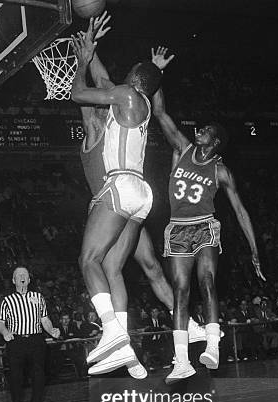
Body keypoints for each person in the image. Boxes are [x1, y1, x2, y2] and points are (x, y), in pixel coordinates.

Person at [71, 20, 204, 379]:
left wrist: (82, 59)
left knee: (89, 260)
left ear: (133, 80)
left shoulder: (116, 105)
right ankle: (127, 347)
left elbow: (80, 93)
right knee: (117, 268)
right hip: (140, 196)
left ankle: (114, 333)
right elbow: (107, 83)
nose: (123, 74)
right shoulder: (137, 99)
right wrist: (91, 46)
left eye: (131, 72)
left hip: (119, 190)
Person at [149, 47, 266, 383]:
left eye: (206, 132)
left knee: (207, 281)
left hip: (204, 227)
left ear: (215, 143)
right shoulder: (182, 149)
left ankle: (212, 345)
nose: (199, 131)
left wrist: (255, 252)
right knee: (181, 291)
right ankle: (182, 361)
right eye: (200, 130)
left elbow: (241, 213)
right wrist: (157, 73)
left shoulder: (222, 171)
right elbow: (159, 112)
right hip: (177, 229)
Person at [0, 267, 60, 402]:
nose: (22, 277)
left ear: (29, 280)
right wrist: (5, 332)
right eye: (19, 275)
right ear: (13, 280)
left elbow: (44, 319)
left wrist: (51, 330)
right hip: (16, 342)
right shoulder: (7, 300)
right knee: (16, 378)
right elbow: (0, 322)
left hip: (36, 341)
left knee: (39, 377)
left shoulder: (38, 297)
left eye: (25, 275)